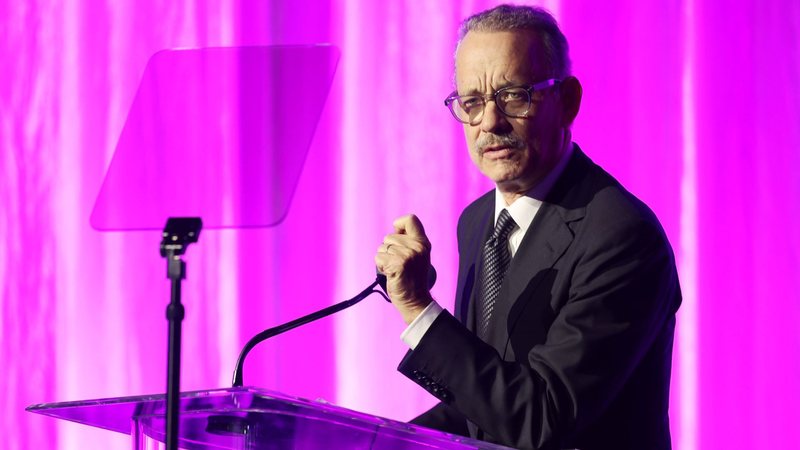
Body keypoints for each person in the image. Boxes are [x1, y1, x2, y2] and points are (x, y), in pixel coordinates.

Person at [374, 4, 681, 450]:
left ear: (568, 101)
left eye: (515, 95)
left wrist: (419, 309)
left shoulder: (621, 235)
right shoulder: (477, 222)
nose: (490, 123)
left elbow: (541, 419)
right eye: (473, 103)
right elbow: (483, 404)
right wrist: (373, 440)